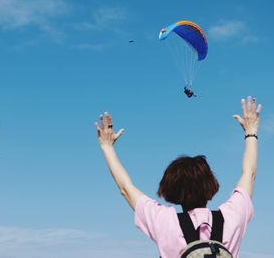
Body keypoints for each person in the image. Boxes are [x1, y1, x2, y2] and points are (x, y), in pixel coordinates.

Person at [94, 96, 262, 258]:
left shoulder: (165, 221)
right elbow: (249, 173)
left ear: (170, 189)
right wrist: (251, 131)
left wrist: (107, 147)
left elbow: (126, 188)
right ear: (211, 184)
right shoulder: (232, 217)